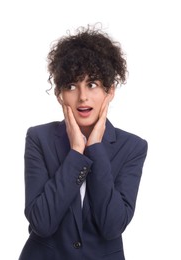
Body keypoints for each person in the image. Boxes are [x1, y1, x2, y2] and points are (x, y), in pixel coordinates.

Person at [19, 24, 148, 260]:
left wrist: (95, 148)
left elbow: (112, 226)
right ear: (59, 94)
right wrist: (76, 152)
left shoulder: (133, 147)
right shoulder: (39, 138)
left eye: (92, 84)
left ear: (109, 91)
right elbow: (42, 223)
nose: (82, 97)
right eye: (71, 86)